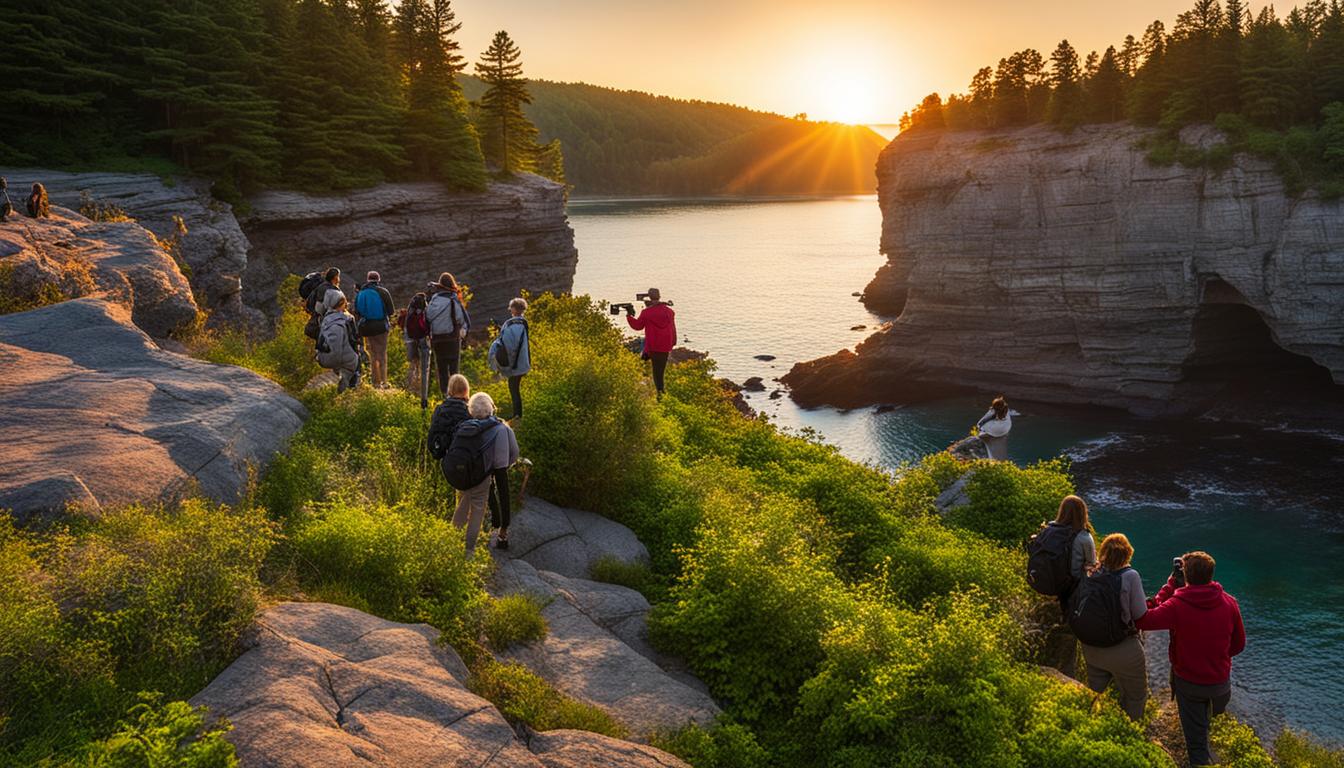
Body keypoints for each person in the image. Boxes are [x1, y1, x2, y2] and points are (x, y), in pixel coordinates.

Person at [1135, 551, 1245, 767]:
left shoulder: (1177, 605)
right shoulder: (1230, 603)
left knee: (1196, 750)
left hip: (1190, 684)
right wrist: (1216, 658)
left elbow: (1143, 620)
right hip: (1220, 686)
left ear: (1185, 575)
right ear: (1211, 574)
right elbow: (1239, 644)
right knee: (1204, 727)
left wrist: (1168, 588)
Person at [1078, 533, 1149, 721]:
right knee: (1136, 697)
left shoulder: (1092, 573)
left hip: (1091, 645)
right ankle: (1129, 739)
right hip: (1122, 647)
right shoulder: (1130, 576)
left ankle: (1086, 726)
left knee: (1093, 693)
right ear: (1127, 554)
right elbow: (1140, 613)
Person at [451, 392, 518, 555]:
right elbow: (514, 452)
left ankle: (452, 543)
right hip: (496, 467)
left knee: (465, 505)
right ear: (491, 407)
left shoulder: (469, 425)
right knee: (498, 496)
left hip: (471, 472)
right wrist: (505, 464)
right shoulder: (502, 427)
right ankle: (500, 532)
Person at [1043, 494, 1098, 678]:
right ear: (1083, 513)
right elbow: (1091, 565)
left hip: (1053, 583)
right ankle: (1072, 672)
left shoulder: (1049, 529)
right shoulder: (1084, 537)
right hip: (1074, 588)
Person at [624, 287, 676, 395]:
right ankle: (661, 394)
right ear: (659, 296)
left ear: (649, 297)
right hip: (666, 345)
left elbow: (637, 326)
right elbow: (673, 327)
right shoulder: (669, 312)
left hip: (654, 346)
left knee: (656, 373)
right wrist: (673, 341)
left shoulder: (647, 313)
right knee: (660, 371)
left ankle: (660, 395)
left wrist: (629, 316)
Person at [426, 272, 470, 397]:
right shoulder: (453, 300)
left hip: (437, 341)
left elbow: (428, 317)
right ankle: (457, 396)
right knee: (454, 370)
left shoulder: (433, 301)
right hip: (452, 340)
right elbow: (461, 319)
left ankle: (445, 396)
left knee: (442, 370)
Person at [489, 297, 531, 420]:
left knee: (514, 389)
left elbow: (507, 344)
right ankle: (517, 414)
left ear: (513, 309)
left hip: (514, 363)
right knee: (515, 388)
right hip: (522, 361)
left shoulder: (510, 325)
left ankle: (517, 416)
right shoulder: (524, 324)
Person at [354, 271, 395, 389]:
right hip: (381, 327)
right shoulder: (383, 292)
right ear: (378, 279)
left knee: (373, 354)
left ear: (368, 280)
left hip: (366, 327)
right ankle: (384, 381)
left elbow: (356, 311)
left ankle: (375, 383)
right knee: (382, 353)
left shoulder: (361, 293)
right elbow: (391, 311)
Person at [315, 294, 361, 392]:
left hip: (323, 357)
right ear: (343, 304)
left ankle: (339, 376)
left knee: (341, 360)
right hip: (339, 357)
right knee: (355, 360)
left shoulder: (325, 318)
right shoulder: (348, 319)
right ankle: (350, 385)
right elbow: (353, 341)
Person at [398, 292, 433, 408]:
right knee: (424, 369)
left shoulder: (410, 312)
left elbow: (405, 328)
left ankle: (409, 394)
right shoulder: (425, 309)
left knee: (411, 366)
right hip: (423, 340)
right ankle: (423, 398)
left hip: (411, 340)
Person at [975, 396, 1012, 460]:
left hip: (996, 430)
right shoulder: (1006, 409)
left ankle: (986, 435)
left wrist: (979, 425)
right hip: (1006, 429)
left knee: (981, 428)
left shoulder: (992, 410)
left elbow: (984, 419)